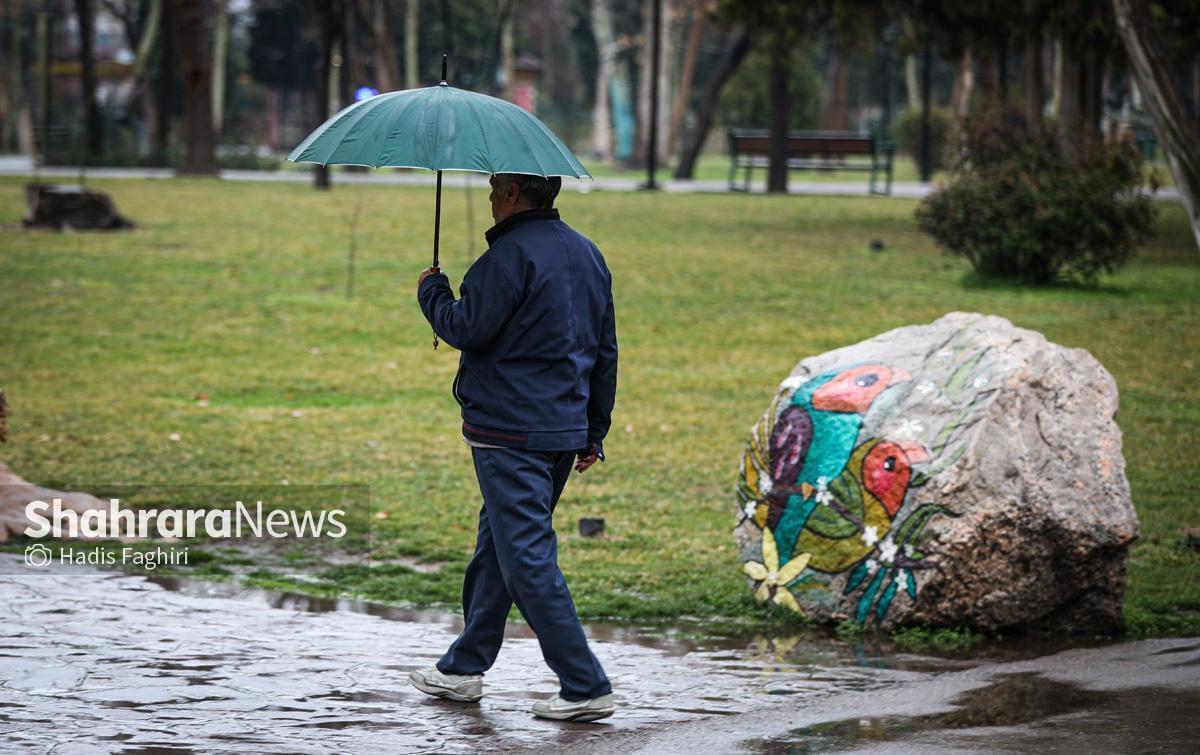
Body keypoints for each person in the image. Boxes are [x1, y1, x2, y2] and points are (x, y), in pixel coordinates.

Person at [409, 173, 618, 723]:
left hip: (510, 433)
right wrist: (593, 429)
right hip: (562, 430)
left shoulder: (505, 259)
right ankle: (463, 669)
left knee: (524, 557)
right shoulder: (588, 253)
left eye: (495, 188)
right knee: (498, 548)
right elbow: (605, 349)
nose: (490, 195)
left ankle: (585, 684)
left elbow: (466, 327)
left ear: (512, 195)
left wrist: (432, 291)